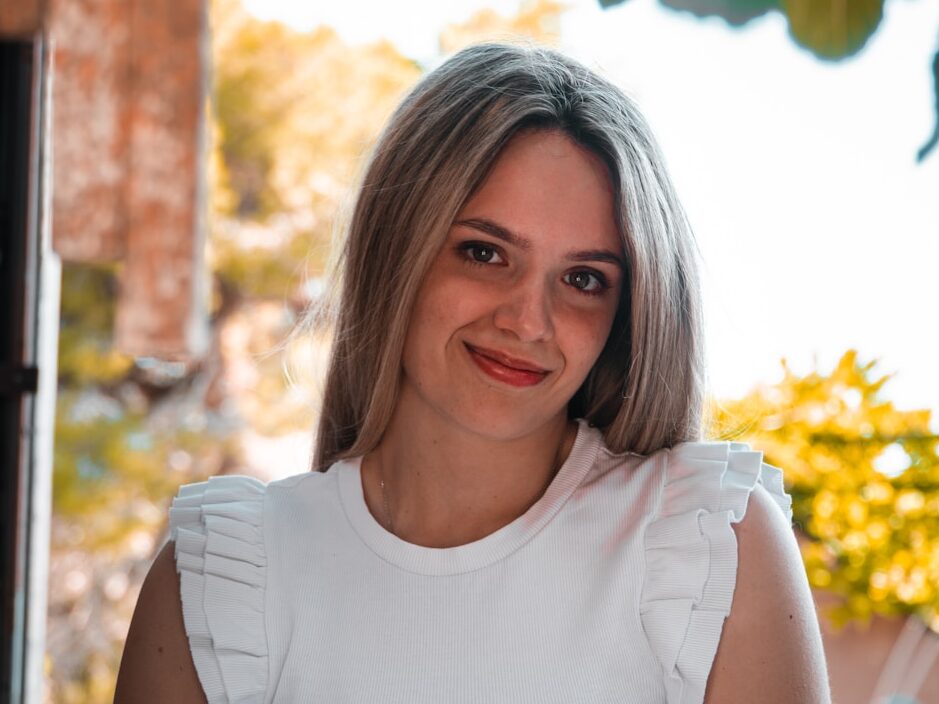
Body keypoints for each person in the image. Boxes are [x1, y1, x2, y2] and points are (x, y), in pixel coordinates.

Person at [114, 42, 831, 703]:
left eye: (583, 279)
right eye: (485, 253)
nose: (528, 321)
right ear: (397, 250)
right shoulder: (223, 583)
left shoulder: (711, 551)